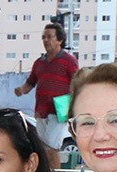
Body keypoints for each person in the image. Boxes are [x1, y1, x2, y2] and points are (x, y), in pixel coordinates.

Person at [13, 22, 79, 151]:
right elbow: (31, 82)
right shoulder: (39, 62)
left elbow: (77, 82)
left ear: (60, 40)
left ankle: (53, 170)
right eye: (43, 37)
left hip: (60, 109)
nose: (45, 40)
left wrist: (73, 104)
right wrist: (21, 90)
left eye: (49, 37)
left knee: (52, 145)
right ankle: (46, 170)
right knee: (42, 146)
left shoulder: (69, 61)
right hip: (41, 109)